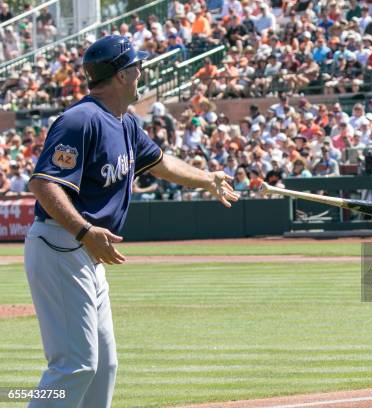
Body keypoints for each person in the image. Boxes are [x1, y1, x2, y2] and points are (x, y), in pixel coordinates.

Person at [24, 36, 239, 408]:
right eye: (137, 67)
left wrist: (207, 178)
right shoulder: (80, 120)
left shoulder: (125, 121)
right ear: (122, 75)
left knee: (103, 366)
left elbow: (161, 163)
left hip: (86, 251)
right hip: (62, 244)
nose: (142, 72)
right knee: (75, 365)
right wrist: (84, 230)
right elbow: (43, 185)